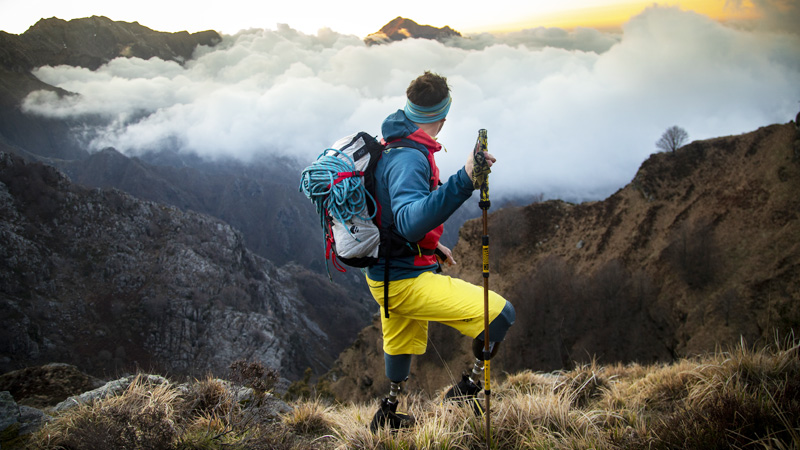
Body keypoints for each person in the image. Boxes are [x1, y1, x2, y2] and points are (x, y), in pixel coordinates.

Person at [367, 71, 516, 430]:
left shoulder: (395, 142)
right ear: (443, 118)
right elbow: (407, 222)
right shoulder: (409, 157)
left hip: (387, 273)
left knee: (399, 343)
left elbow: (392, 217)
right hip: (403, 281)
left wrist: (432, 246)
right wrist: (465, 178)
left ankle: (387, 415)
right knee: (500, 315)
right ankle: (467, 391)